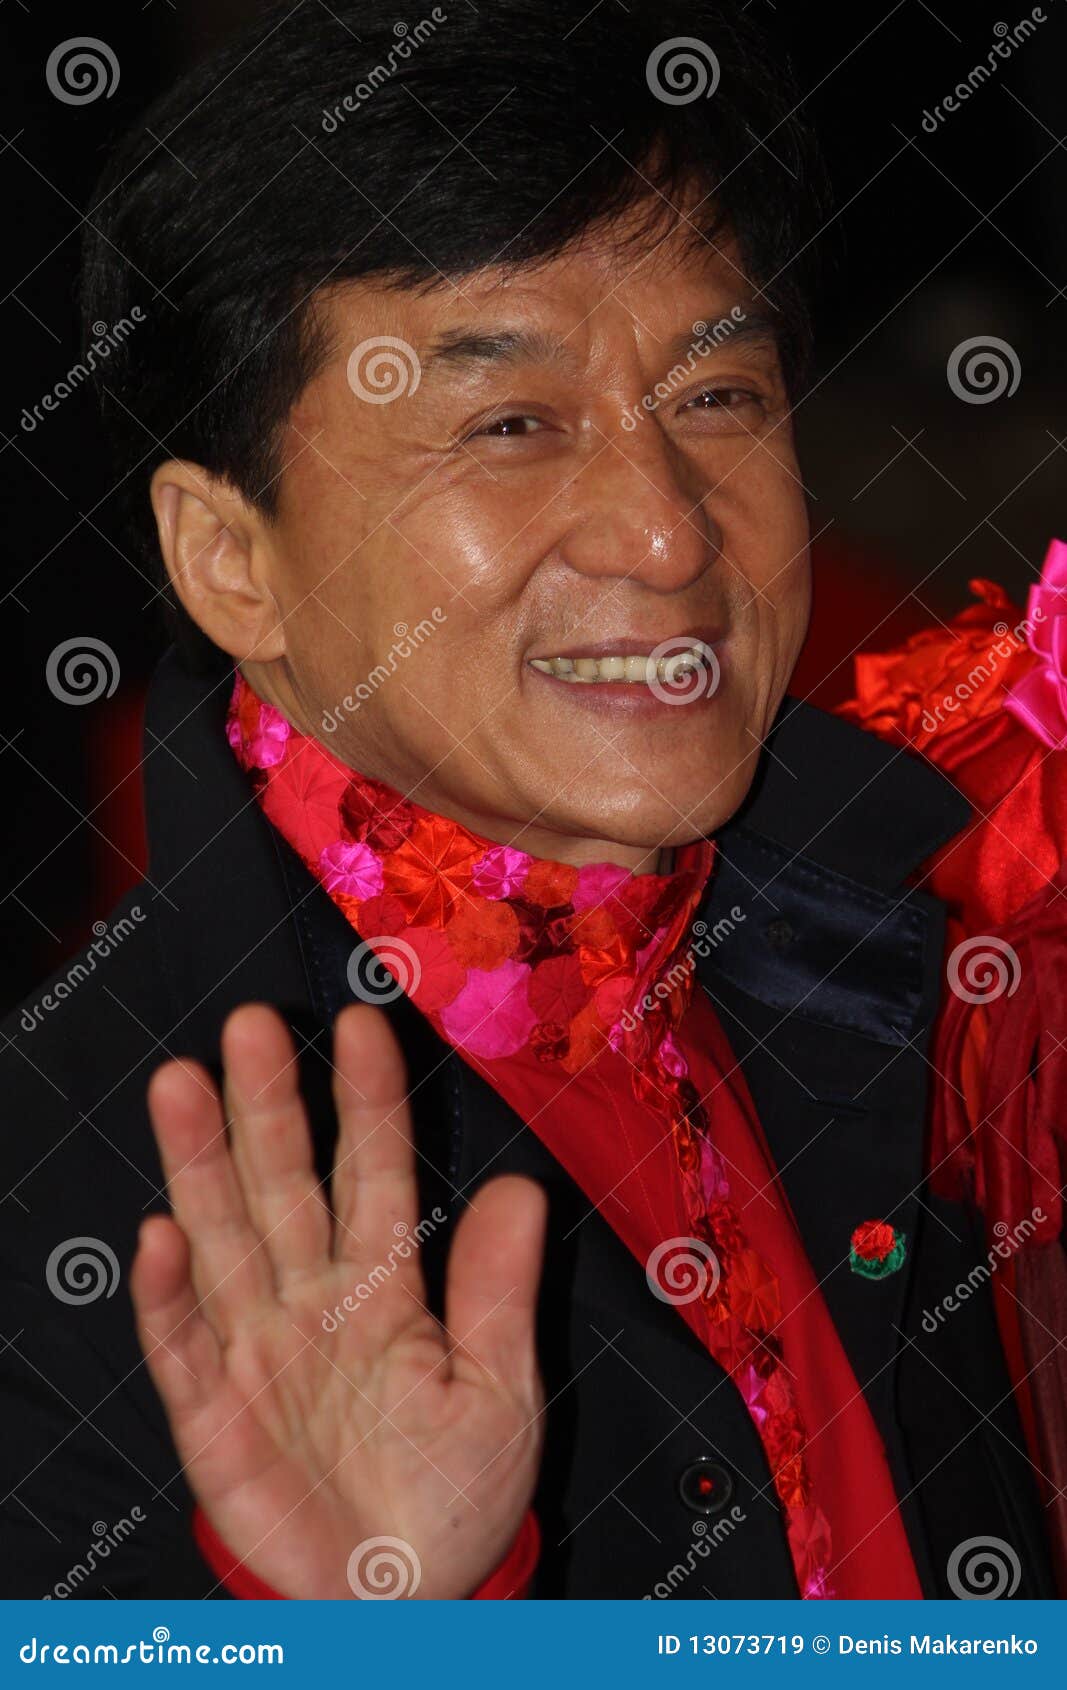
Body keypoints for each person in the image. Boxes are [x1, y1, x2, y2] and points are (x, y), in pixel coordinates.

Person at [0, 0, 1058, 1602]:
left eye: (716, 399)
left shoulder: (944, 942)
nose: (667, 534)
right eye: (510, 424)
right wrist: (386, 1626)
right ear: (232, 558)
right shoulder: (74, 1205)